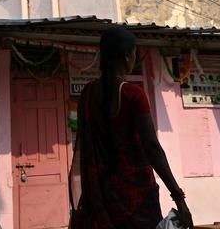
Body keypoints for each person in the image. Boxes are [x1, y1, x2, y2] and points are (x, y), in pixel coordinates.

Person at [70, 26, 193, 228]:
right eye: (135, 54)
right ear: (127, 56)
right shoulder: (133, 95)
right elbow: (152, 148)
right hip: (135, 200)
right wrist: (178, 197)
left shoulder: (87, 94)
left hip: (99, 200)